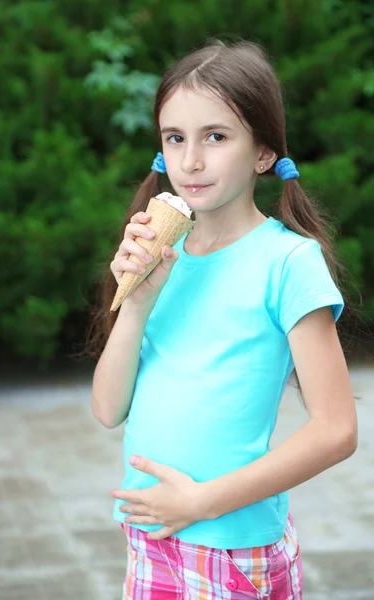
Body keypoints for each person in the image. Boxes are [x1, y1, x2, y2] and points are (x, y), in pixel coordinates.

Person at [90, 39, 358, 599]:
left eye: (216, 136)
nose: (190, 160)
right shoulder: (160, 256)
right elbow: (108, 408)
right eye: (175, 138)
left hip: (232, 549)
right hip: (150, 537)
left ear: (263, 152)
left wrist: (200, 501)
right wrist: (134, 299)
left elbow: (336, 431)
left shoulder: (288, 263)